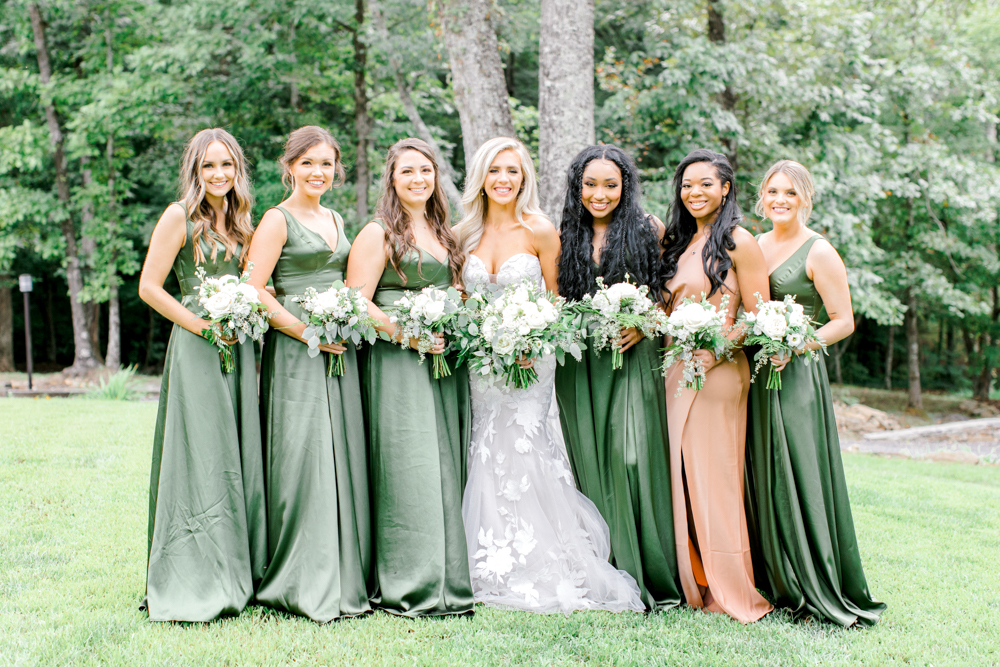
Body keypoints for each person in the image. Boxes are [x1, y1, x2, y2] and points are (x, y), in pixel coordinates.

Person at [455, 136, 644, 614]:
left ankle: (546, 559)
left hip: (530, 360)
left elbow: (559, 301)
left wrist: (529, 341)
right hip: (482, 363)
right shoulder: (462, 235)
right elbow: (460, 301)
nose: (503, 180)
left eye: (513, 171)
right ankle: (484, 558)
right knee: (483, 445)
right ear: (481, 176)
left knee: (525, 444)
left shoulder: (540, 230)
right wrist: (486, 338)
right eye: (495, 170)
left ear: (525, 178)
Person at [745, 159, 886, 627]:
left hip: (797, 376)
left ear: (805, 197)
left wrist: (796, 344)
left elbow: (843, 320)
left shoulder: (818, 250)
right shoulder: (755, 243)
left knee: (799, 473)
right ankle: (774, 577)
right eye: (773, 192)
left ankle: (813, 582)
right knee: (763, 471)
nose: (780, 201)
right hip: (757, 375)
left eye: (790, 193)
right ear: (761, 197)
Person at [137, 128, 266, 622]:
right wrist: (202, 325)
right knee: (202, 452)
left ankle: (240, 566)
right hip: (198, 346)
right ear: (195, 170)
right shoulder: (179, 217)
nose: (219, 175)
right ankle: (193, 570)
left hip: (242, 345)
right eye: (209, 166)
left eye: (227, 165)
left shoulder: (244, 221)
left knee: (237, 450)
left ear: (238, 170)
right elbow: (150, 286)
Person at [246, 126, 370, 622]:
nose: (318, 173)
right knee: (305, 453)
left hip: (339, 344)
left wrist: (344, 316)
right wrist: (303, 331)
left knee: (339, 450)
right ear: (290, 166)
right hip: (298, 350)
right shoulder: (276, 220)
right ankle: (301, 575)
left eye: (326, 164)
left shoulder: (336, 218)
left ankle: (343, 572)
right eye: (308, 163)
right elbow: (255, 288)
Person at [346, 138, 473, 617]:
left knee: (443, 462)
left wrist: (455, 315)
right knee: (409, 464)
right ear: (392, 180)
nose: (418, 179)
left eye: (425, 171)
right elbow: (357, 298)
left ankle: (448, 574)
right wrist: (407, 335)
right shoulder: (378, 232)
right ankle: (409, 579)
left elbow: (456, 287)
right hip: (399, 362)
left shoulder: (445, 231)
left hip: (445, 360)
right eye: (407, 173)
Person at [553, 144, 681, 611]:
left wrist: (643, 320)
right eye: (590, 184)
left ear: (625, 185)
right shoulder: (564, 232)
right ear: (577, 186)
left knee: (630, 456)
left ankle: (643, 564)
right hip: (578, 362)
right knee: (586, 457)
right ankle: (598, 566)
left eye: (610, 184)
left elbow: (669, 296)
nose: (599, 194)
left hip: (632, 355)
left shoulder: (650, 229)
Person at [660, 148, 773, 624]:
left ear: (726, 188)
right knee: (680, 480)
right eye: (687, 184)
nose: (694, 193)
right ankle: (695, 580)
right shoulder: (678, 240)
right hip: (674, 369)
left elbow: (759, 315)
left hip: (717, 372)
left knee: (713, 479)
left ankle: (730, 586)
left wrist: (720, 347)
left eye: (706, 183)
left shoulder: (738, 242)